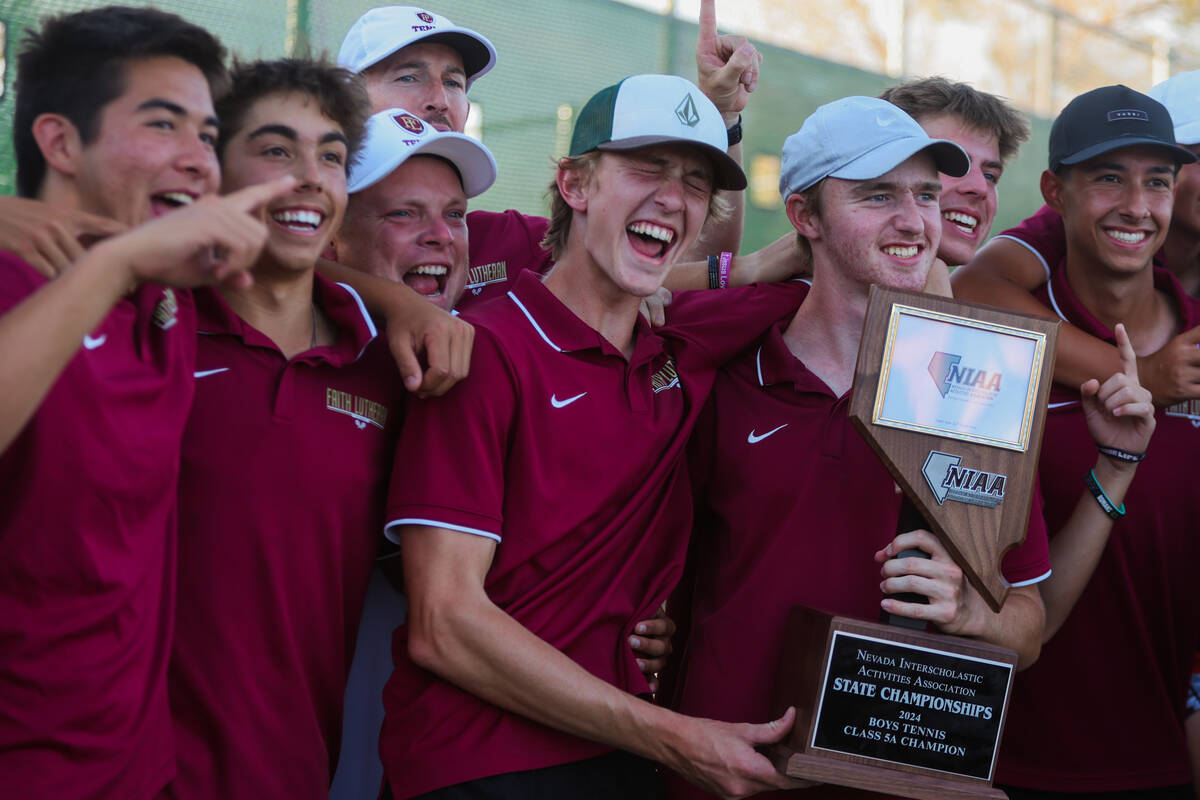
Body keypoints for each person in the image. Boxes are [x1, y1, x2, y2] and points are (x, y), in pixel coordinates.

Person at [380, 73, 808, 800]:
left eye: (696, 182)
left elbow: (854, 284)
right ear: (574, 184)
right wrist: (675, 734)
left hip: (619, 761)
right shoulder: (481, 352)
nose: (673, 198)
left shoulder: (680, 353)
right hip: (479, 769)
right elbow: (442, 623)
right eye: (647, 169)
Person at [666, 96, 1054, 800]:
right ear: (805, 217)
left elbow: (1027, 625)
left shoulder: (979, 386)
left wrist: (971, 612)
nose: (914, 220)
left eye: (927, 195)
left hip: (901, 780)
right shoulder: (724, 370)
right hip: (725, 777)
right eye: (877, 195)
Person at [161, 62, 494, 800]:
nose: (309, 176)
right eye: (277, 150)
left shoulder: (408, 372)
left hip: (299, 769)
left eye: (333, 157)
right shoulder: (148, 322)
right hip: (115, 768)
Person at [0, 8, 293, 798]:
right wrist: (117, 264)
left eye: (206, 135)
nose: (199, 160)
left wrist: (403, 307)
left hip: (140, 771)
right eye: (164, 125)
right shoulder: (15, 282)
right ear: (60, 143)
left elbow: (301, 258)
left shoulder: (170, 296)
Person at [987, 85, 1195, 800]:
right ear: (1055, 191)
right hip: (995, 764)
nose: (1138, 204)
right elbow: (962, 284)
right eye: (1109, 177)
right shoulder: (999, 335)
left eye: (1157, 181)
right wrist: (1146, 379)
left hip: (1167, 761)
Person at [337, 1, 779, 308]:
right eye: (409, 78)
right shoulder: (288, 229)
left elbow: (681, 260)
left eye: (454, 82)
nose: (439, 99)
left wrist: (719, 118)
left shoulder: (501, 240)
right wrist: (396, 304)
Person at [953, 70, 1200, 408]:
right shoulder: (1071, 223)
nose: (1136, 205)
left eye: (1155, 181)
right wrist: (1139, 375)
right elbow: (974, 288)